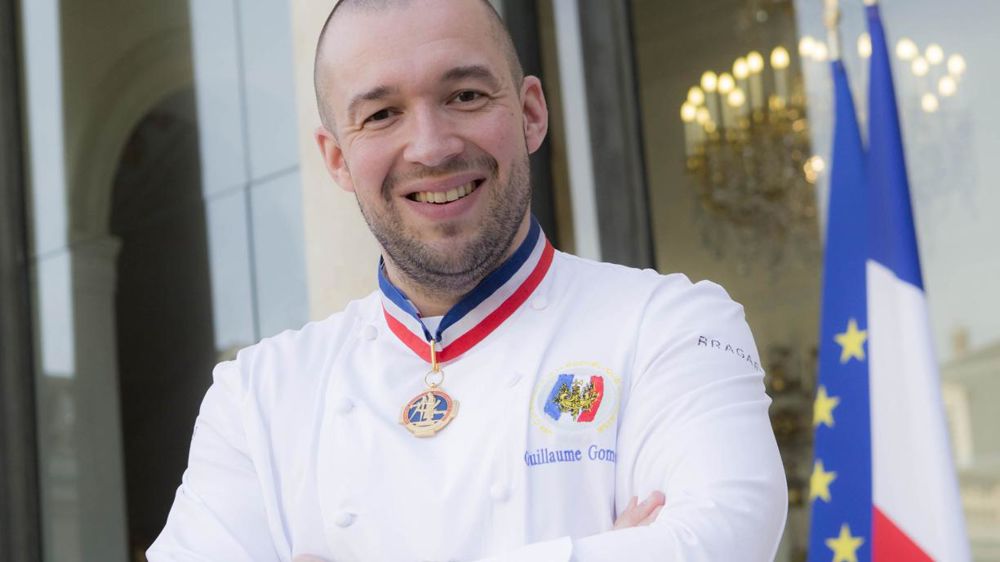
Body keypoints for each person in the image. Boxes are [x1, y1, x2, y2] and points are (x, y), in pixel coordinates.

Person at [148, 0, 787, 560]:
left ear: (531, 113)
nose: (430, 146)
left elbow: (716, 539)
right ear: (338, 159)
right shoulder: (256, 397)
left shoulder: (672, 326)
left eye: (465, 96)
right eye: (381, 114)